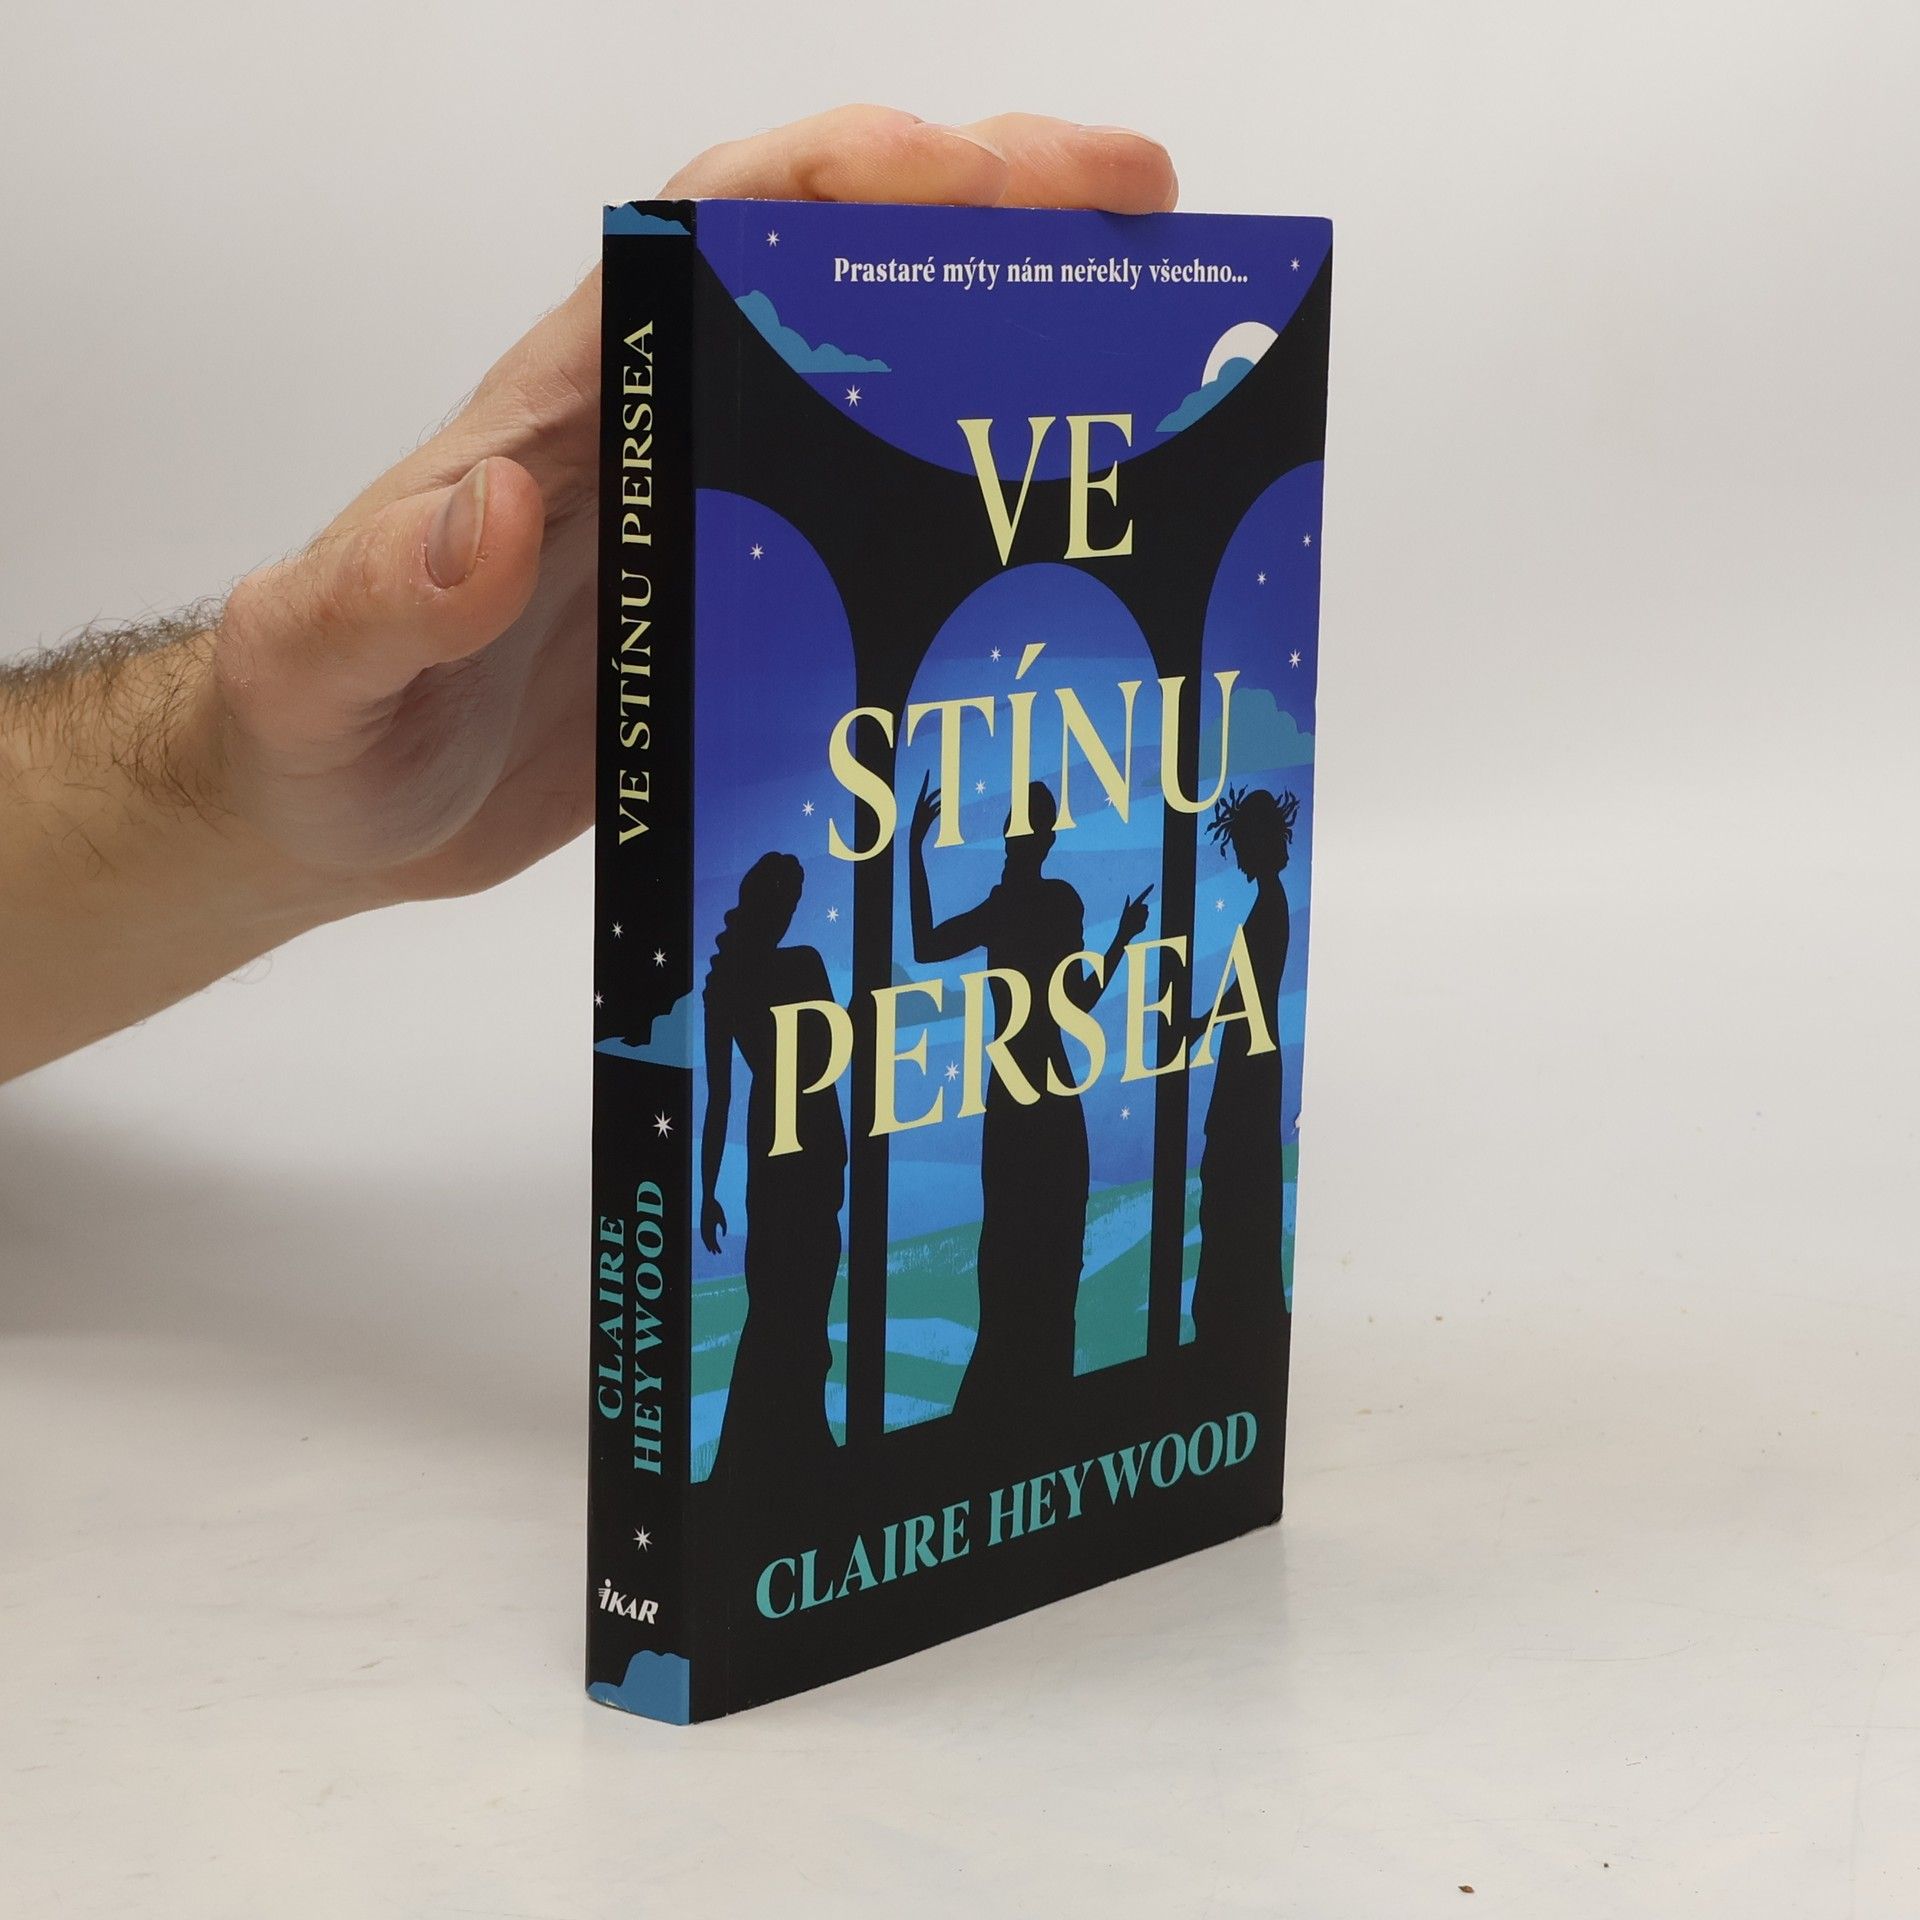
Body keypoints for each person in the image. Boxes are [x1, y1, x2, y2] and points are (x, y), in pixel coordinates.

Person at [0, 106, 1178, 1085]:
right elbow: (927, 944)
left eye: (1024, 825)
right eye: (1022, 823)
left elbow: (1018, 974)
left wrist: (238, 794)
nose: (1024, 834)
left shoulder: (1053, 907)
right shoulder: (1006, 913)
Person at [908, 772, 1152, 1414]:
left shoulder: (1032, 906)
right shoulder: (1040, 904)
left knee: (1034, 1243)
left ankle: (1027, 1394)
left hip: (1027, 1092)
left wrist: (914, 851)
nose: (1018, 838)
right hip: (1039, 1092)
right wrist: (1121, 941)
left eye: (1024, 827)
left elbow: (929, 946)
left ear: (1030, 839)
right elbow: (1079, 1000)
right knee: (1030, 1245)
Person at [698, 853, 845, 1479]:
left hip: (803, 1137)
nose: (788, 916)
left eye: (793, 906)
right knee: (782, 1299)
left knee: (805, 1297)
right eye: (782, 904)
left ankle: (799, 1435)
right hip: (788, 1138)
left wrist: (709, 1189)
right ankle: (770, 1450)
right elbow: (719, 1098)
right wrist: (707, 1189)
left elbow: (834, 1048)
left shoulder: (763, 973)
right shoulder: (779, 971)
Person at [1190, 784, 1298, 1343]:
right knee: (1235, 1180)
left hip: (1250, 1061)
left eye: (1242, 844)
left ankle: (1232, 1314)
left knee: (1235, 1182)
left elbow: (1247, 991)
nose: (1238, 856)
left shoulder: (1270, 906)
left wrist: (1197, 1024)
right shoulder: (1269, 904)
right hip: (1252, 1054)